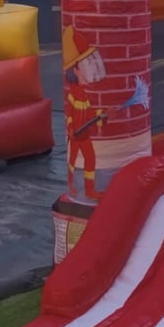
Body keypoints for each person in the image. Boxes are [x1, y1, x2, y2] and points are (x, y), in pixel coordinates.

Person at [62, 25, 107, 201]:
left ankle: (89, 190)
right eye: (86, 64)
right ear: (75, 70)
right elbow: (70, 113)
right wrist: (71, 128)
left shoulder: (83, 94)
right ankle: (72, 184)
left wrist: (102, 116)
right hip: (76, 136)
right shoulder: (73, 94)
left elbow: (89, 114)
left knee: (90, 159)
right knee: (72, 161)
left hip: (85, 135)